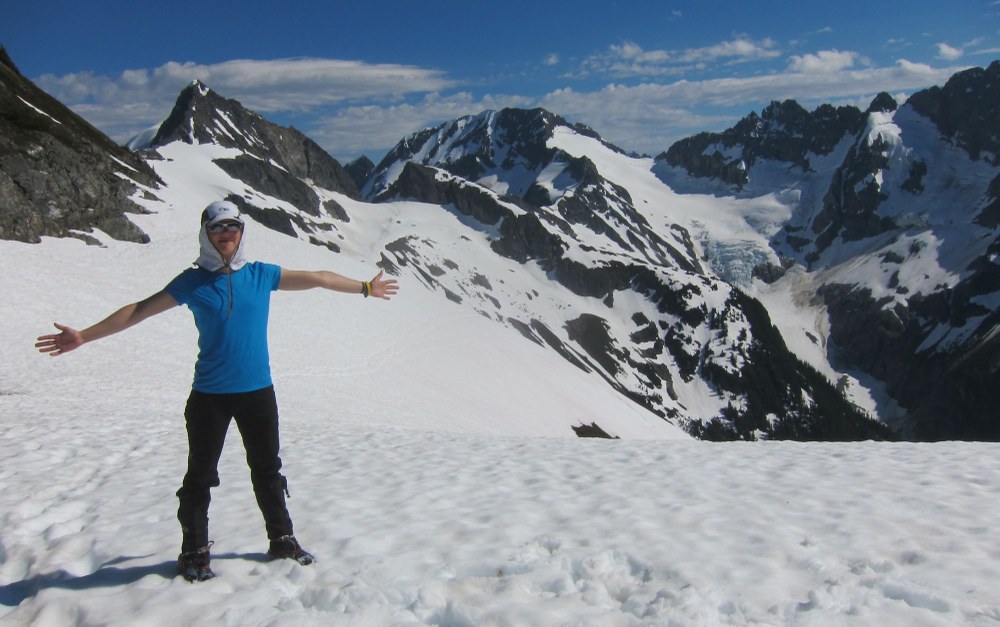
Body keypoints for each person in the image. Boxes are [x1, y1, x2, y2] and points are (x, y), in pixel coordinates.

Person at [35, 200, 399, 582]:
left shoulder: (260, 274)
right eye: (217, 229)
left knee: (267, 470)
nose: (225, 235)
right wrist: (85, 337)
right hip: (209, 396)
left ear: (241, 232)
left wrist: (364, 288)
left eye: (232, 228)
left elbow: (318, 277)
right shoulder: (192, 282)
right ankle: (193, 551)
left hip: (258, 392)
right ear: (206, 234)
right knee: (200, 475)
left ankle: (282, 538)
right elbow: (138, 311)